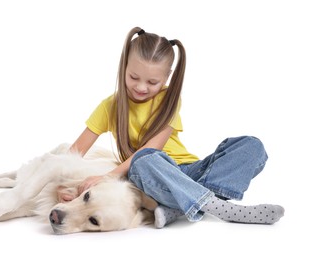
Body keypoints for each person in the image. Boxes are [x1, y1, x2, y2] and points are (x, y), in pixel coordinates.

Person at [69, 26, 284, 228]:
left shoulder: (168, 99)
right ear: (124, 65)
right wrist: (68, 186)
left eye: (153, 82)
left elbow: (157, 144)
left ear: (167, 76)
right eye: (134, 77)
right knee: (144, 160)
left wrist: (108, 176)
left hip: (189, 169)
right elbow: (75, 153)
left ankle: (177, 207)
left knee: (251, 146)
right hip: (150, 174)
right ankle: (222, 208)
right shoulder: (110, 107)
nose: (141, 87)